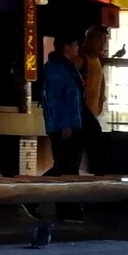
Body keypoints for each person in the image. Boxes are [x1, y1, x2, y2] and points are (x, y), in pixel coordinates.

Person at [40, 35, 87, 175]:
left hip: (73, 123)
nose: (78, 47)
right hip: (64, 126)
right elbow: (55, 98)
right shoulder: (57, 68)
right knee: (65, 166)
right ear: (66, 46)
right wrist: (64, 124)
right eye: (75, 44)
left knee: (70, 165)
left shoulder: (68, 66)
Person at [79, 25, 112, 174]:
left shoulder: (97, 60)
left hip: (93, 114)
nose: (103, 45)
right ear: (90, 40)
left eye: (105, 41)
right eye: (101, 40)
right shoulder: (81, 60)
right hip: (81, 115)